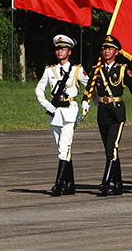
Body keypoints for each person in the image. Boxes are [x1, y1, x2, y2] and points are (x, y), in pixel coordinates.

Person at [82, 35, 132, 196]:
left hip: (117, 111)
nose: (106, 51)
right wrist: (85, 101)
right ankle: (119, 183)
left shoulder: (122, 69)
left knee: (111, 148)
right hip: (103, 111)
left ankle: (106, 182)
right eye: (104, 48)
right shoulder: (96, 70)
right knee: (110, 150)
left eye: (110, 48)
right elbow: (88, 89)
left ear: (116, 52)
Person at [35, 34, 89, 196]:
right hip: (55, 112)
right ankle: (71, 184)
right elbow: (39, 89)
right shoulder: (49, 70)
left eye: (63, 49)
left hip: (71, 111)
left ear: (69, 52)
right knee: (62, 148)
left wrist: (85, 102)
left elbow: (91, 86)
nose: (60, 51)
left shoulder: (77, 70)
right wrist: (46, 104)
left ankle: (58, 184)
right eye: (58, 49)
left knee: (64, 147)